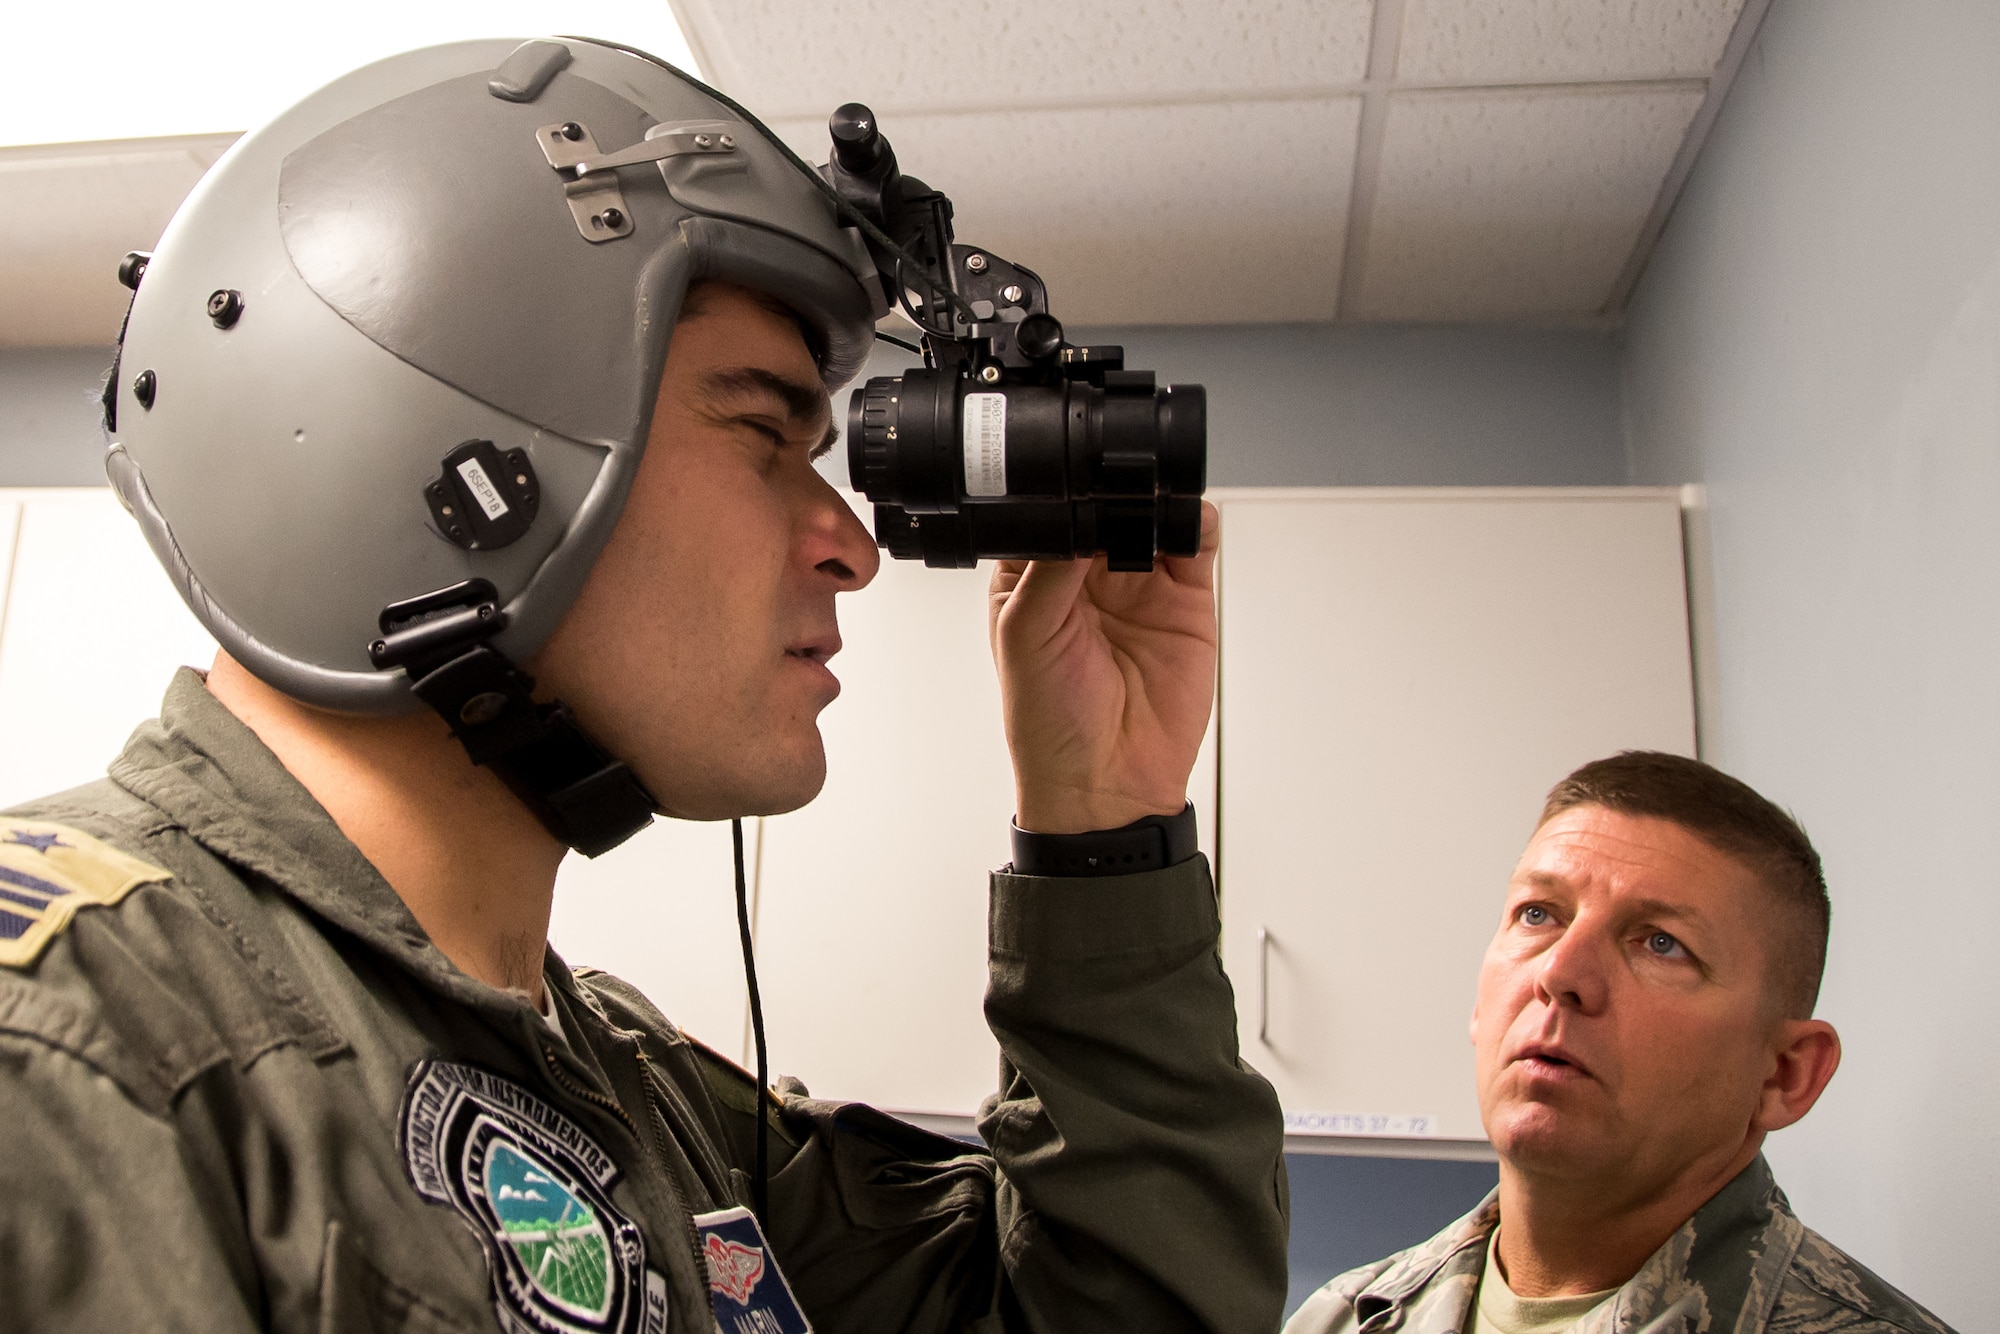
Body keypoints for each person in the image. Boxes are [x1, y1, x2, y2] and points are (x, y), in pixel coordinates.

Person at [0, 37, 1286, 1334]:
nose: (848, 542)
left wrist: (1102, 817)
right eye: (761, 431)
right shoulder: (68, 1045)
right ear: (454, 468)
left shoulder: (626, 1093)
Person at [1286, 750, 1952, 1334]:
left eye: (1662, 944)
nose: (1559, 974)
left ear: (1783, 1075)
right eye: (1538, 914)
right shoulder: (1344, 1318)